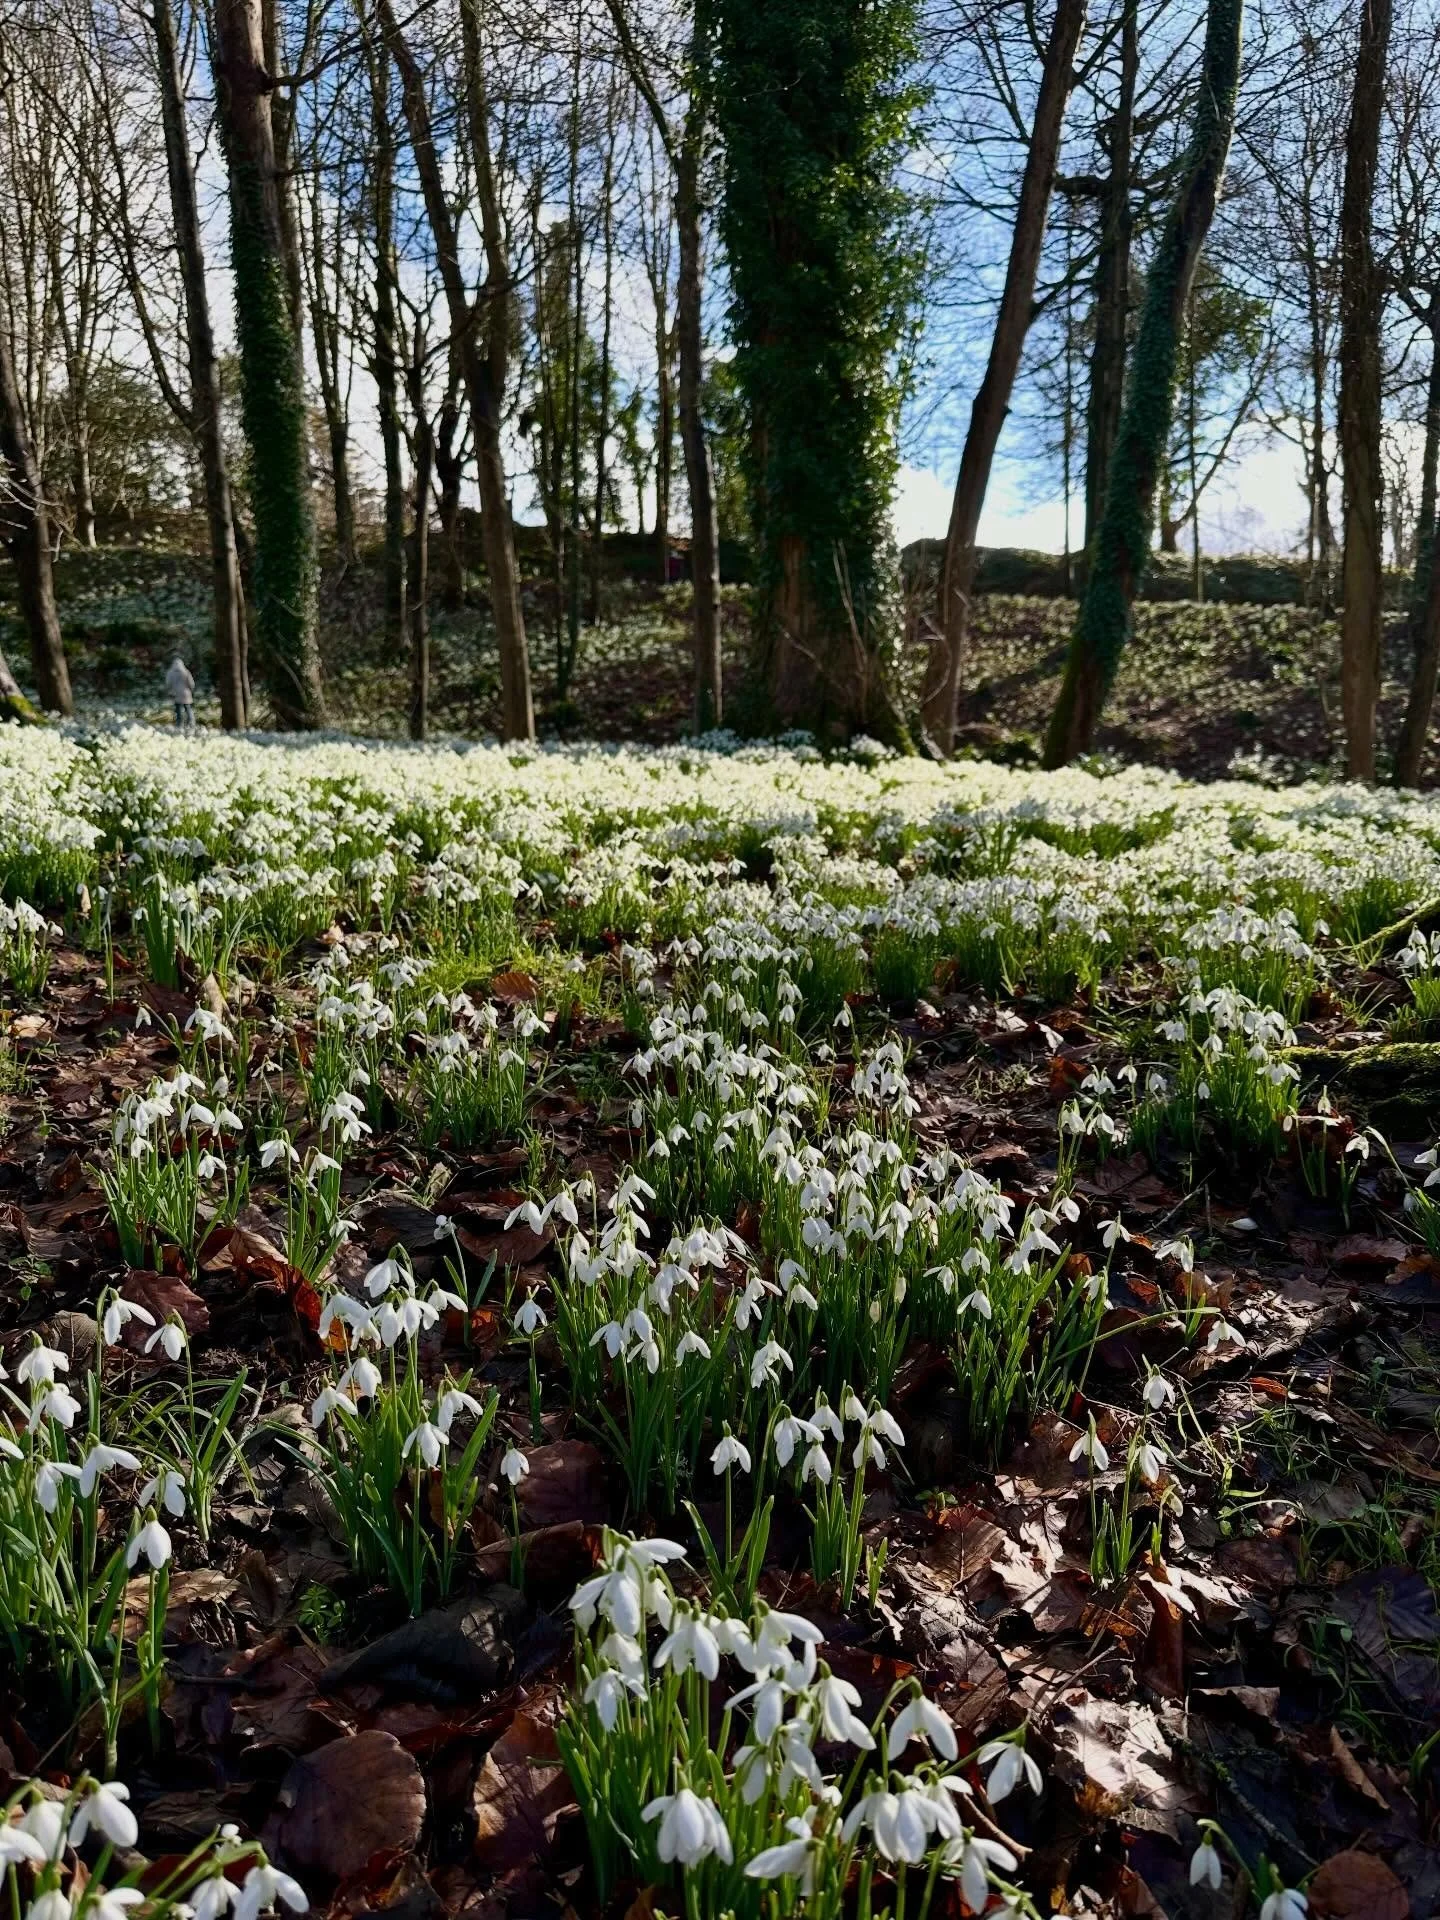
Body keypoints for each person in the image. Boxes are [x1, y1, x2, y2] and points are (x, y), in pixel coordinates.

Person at [165, 654, 196, 730]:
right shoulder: (186, 672)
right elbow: (191, 683)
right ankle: (191, 722)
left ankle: (179, 723)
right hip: (186, 693)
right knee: (188, 708)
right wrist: (191, 689)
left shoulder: (171, 673)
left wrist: (169, 691)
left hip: (176, 693)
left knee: (178, 709)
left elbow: (168, 683)